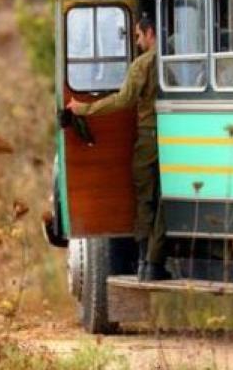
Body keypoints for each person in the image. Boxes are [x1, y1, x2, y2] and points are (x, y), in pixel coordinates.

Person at [66, 14, 168, 281]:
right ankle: (154, 262)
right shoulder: (175, 60)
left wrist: (84, 108)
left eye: (138, 35)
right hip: (174, 137)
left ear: (150, 32)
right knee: (164, 201)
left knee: (145, 200)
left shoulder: (143, 65)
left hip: (148, 137)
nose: (137, 41)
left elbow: (123, 100)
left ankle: (146, 263)